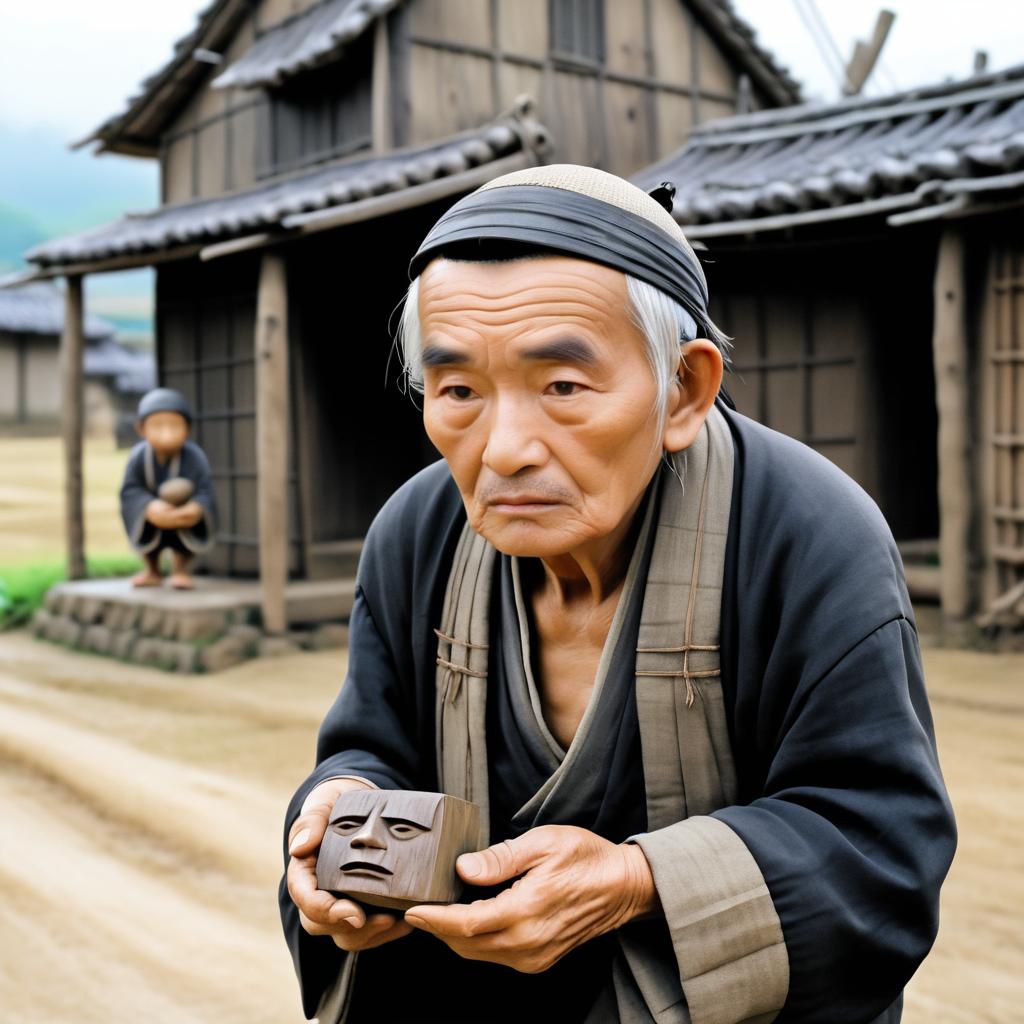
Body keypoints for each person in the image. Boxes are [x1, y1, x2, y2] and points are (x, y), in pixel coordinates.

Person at [280, 165, 956, 1024]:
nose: (505, 450)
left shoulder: (811, 538)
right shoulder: (417, 535)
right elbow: (370, 750)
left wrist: (637, 882)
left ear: (685, 390)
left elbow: (879, 843)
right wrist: (335, 816)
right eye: (458, 391)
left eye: (562, 386)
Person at [119, 387, 217, 590]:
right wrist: (147, 506)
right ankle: (152, 570)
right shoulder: (138, 457)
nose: (167, 434)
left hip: (183, 514)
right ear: (142, 429)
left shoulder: (194, 456)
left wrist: (196, 508)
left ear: (187, 428)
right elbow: (130, 490)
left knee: (185, 537)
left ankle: (180, 569)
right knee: (143, 526)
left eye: (174, 426)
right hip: (151, 516)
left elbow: (205, 489)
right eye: (158, 426)